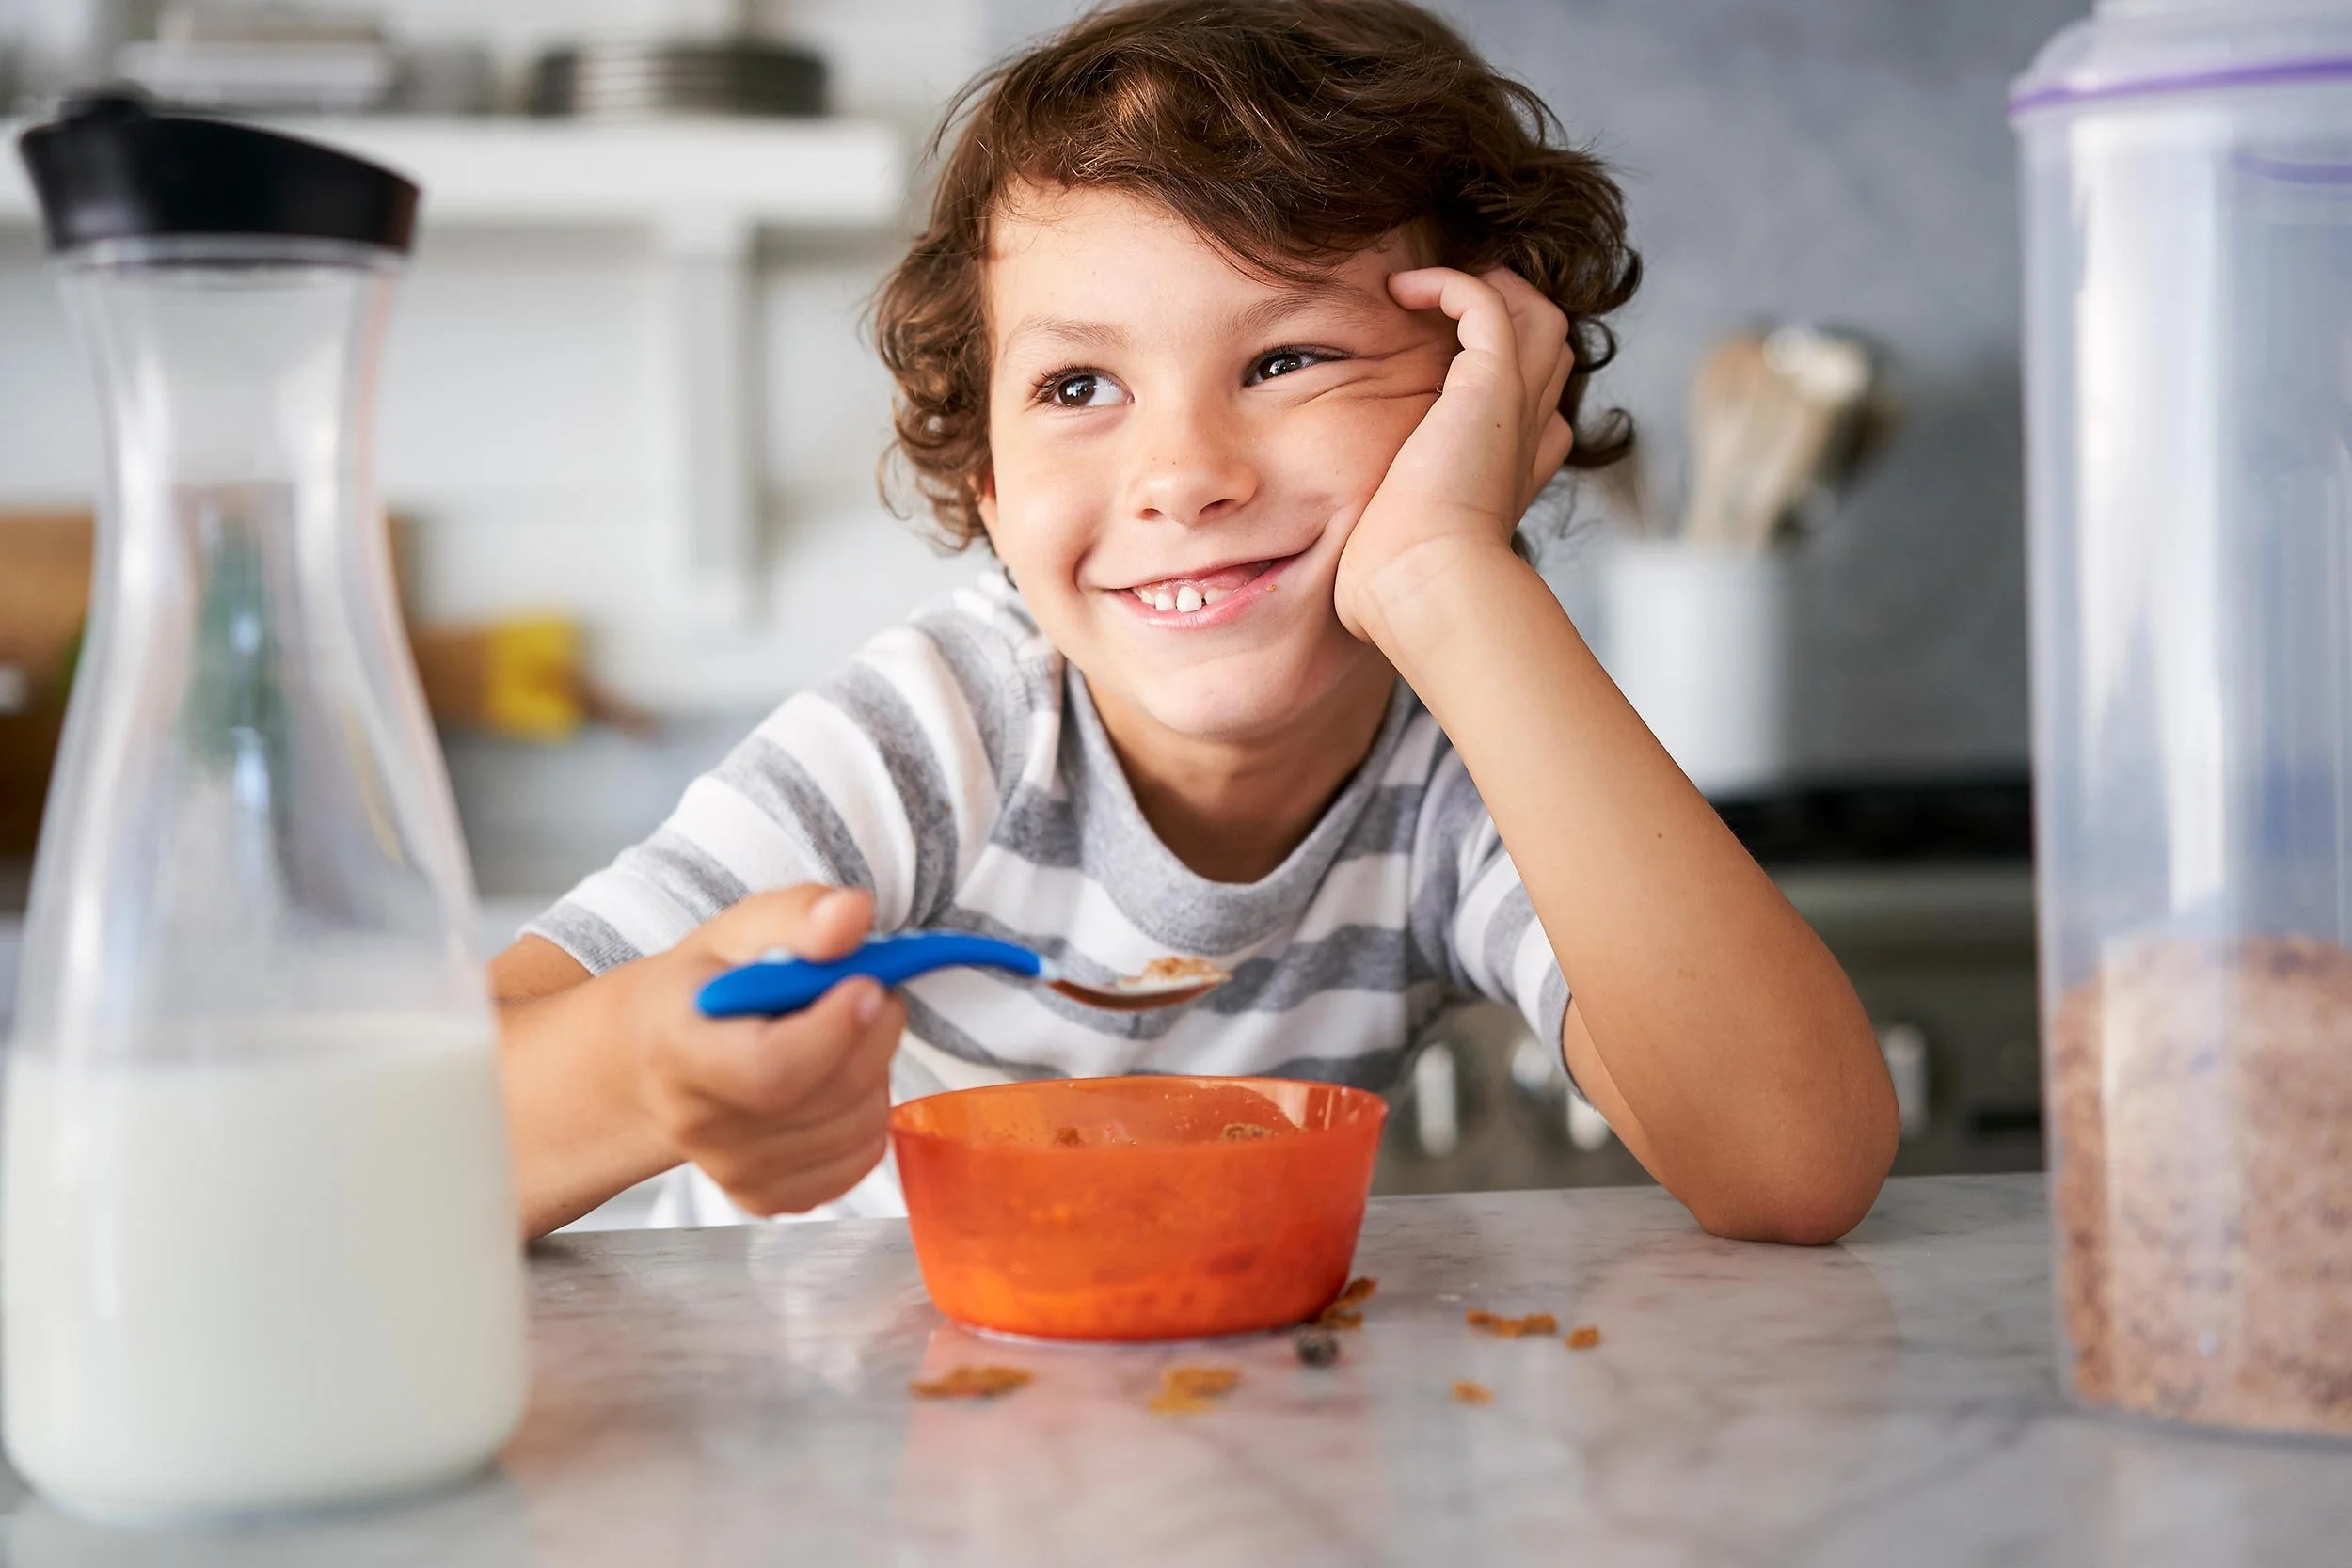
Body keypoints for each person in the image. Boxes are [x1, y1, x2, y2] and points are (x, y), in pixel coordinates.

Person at [491, 0, 1899, 1242]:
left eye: (1287, 359)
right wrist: (653, 1072)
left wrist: (1447, 575)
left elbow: (1791, 1167)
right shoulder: (947, 728)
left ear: (1486, 400)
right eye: (1077, 388)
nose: (1182, 475)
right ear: (988, 482)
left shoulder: (1464, 771)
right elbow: (436, 1119)